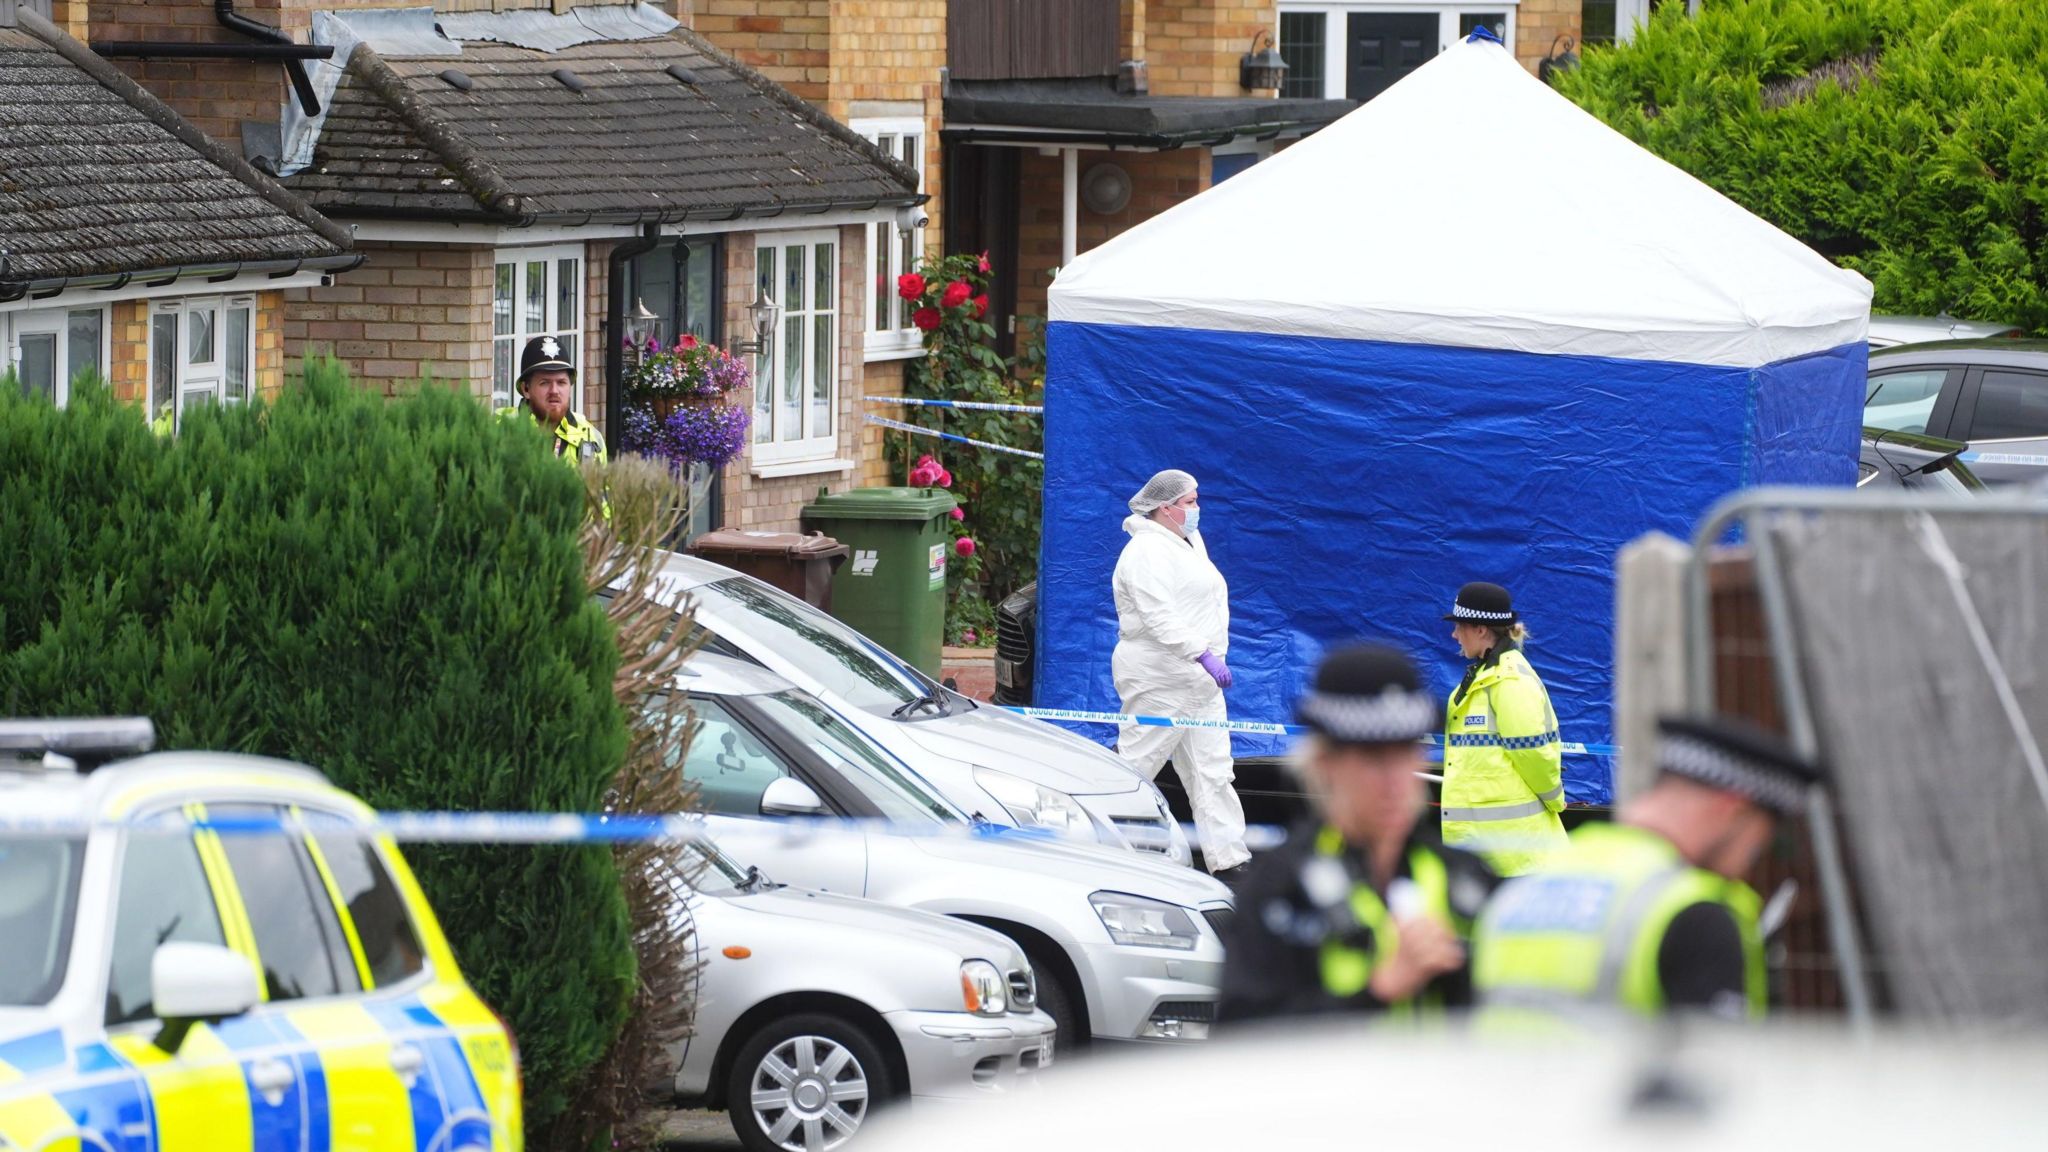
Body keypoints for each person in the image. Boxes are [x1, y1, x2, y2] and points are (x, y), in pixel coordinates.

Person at [1472, 715, 1821, 1019]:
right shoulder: (1694, 913)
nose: (1749, 862)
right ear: (1734, 810)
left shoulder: (1527, 886)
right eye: (1761, 842)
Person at [1219, 643, 1499, 1022]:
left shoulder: (1465, 877)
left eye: (1405, 751)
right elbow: (1242, 1047)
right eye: (1372, 758)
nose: (1394, 781)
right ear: (1325, 763)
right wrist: (1379, 991)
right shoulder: (1277, 889)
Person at [1112, 469, 1249, 878]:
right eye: (1189, 502)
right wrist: (1202, 653)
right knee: (1137, 767)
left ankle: (1229, 860)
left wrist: (1207, 662)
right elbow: (1159, 616)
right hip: (1160, 678)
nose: (1196, 509)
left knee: (1214, 771)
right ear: (1164, 508)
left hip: (1198, 683)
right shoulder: (1144, 553)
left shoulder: (1185, 542)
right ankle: (1109, 853)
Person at [1441, 581, 1568, 876]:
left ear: (1481, 630)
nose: (1454, 634)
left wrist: (1555, 799)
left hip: (1512, 858)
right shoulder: (1488, 675)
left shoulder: (1508, 682)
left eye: (1460, 626)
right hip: (1493, 853)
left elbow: (1533, 754)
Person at [499, 334, 607, 466]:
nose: (554, 390)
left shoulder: (590, 436)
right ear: (526, 389)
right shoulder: (499, 430)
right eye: (544, 383)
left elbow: (602, 486)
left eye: (561, 382)